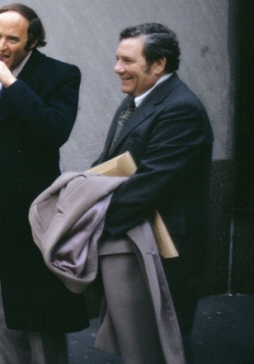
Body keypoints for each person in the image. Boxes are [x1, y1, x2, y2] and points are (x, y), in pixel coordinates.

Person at [0, 3, 87, 364]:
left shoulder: (60, 75)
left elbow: (54, 131)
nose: (0, 45)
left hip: (34, 214)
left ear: (32, 42)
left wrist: (12, 83)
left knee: (40, 314)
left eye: (12, 39)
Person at [92, 23, 212, 362]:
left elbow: (150, 183)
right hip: (137, 243)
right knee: (139, 342)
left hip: (168, 252)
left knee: (163, 346)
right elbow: (111, 162)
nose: (118, 68)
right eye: (118, 59)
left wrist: (92, 218)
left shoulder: (181, 109)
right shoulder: (136, 99)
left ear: (158, 64)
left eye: (127, 61)